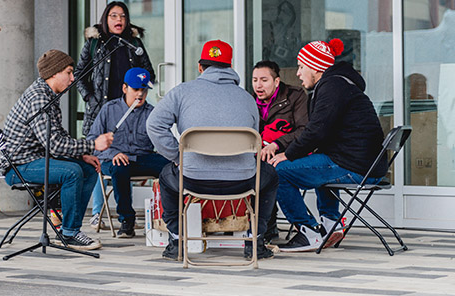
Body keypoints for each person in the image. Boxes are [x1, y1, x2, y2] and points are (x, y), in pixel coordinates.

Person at [146, 40, 278, 261]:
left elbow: (153, 125)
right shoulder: (247, 98)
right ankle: (254, 240)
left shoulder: (181, 92)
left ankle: (177, 240)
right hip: (242, 181)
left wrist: (177, 157)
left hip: (192, 179)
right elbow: (254, 139)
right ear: (230, 66)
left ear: (200, 67)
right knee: (270, 176)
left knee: (166, 176)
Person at [270, 39, 387, 252]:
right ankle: (331, 224)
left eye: (301, 66)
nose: (298, 73)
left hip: (356, 167)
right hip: (365, 164)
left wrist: (289, 154)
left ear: (315, 67)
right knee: (317, 163)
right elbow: (321, 135)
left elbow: (316, 131)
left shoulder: (332, 87)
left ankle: (309, 232)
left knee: (278, 172)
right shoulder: (340, 83)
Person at [1, 50, 114, 251]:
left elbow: (59, 137)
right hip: (19, 166)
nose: (73, 78)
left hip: (35, 158)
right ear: (54, 73)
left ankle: (71, 229)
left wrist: (82, 155)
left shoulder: (48, 94)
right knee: (72, 172)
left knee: (88, 169)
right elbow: (54, 144)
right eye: (69, 72)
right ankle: (69, 233)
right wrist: (93, 145)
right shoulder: (39, 98)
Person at [75, 1, 155, 228]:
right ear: (105, 19)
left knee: (125, 155)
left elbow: (149, 73)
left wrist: (140, 86)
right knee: (103, 158)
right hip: (102, 111)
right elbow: (80, 74)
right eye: (113, 16)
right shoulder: (94, 43)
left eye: (122, 16)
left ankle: (123, 212)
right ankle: (98, 212)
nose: (118, 20)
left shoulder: (134, 43)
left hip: (130, 109)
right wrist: (90, 98)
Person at [87, 68, 169, 238]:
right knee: (119, 168)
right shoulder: (109, 109)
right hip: (114, 160)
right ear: (124, 88)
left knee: (169, 167)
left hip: (141, 158)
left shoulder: (152, 113)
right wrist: (112, 153)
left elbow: (161, 142)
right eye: (135, 89)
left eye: (144, 90)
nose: (140, 94)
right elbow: (92, 140)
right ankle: (127, 221)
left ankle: (168, 217)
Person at [251, 60, 308, 241]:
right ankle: (256, 226)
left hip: (288, 153)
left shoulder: (296, 96)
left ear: (276, 82)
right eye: (254, 80)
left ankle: (267, 226)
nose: (258, 85)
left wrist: (277, 144)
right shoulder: (249, 100)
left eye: (264, 80)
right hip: (257, 153)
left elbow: (304, 129)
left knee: (268, 170)